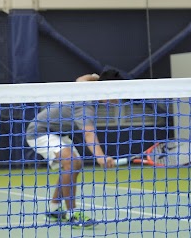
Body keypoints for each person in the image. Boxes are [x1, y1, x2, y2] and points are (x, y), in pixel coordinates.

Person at [32, 69, 124, 227]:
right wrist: (101, 157)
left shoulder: (85, 86)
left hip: (59, 133)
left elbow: (80, 78)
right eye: (115, 93)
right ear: (105, 89)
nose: (117, 99)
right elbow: (89, 134)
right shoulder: (85, 105)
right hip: (39, 132)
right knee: (72, 162)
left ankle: (54, 209)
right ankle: (72, 214)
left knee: (76, 164)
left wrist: (95, 78)